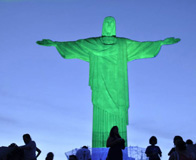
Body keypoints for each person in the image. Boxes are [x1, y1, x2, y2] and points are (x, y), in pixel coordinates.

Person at [37, 16, 180, 148]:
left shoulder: (123, 44)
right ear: (103, 26)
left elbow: (141, 47)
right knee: (101, 114)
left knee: (118, 115)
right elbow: (76, 45)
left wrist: (160, 42)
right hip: (100, 86)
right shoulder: (94, 43)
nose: (110, 25)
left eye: (112, 23)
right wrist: (56, 44)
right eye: (107, 23)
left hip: (118, 90)